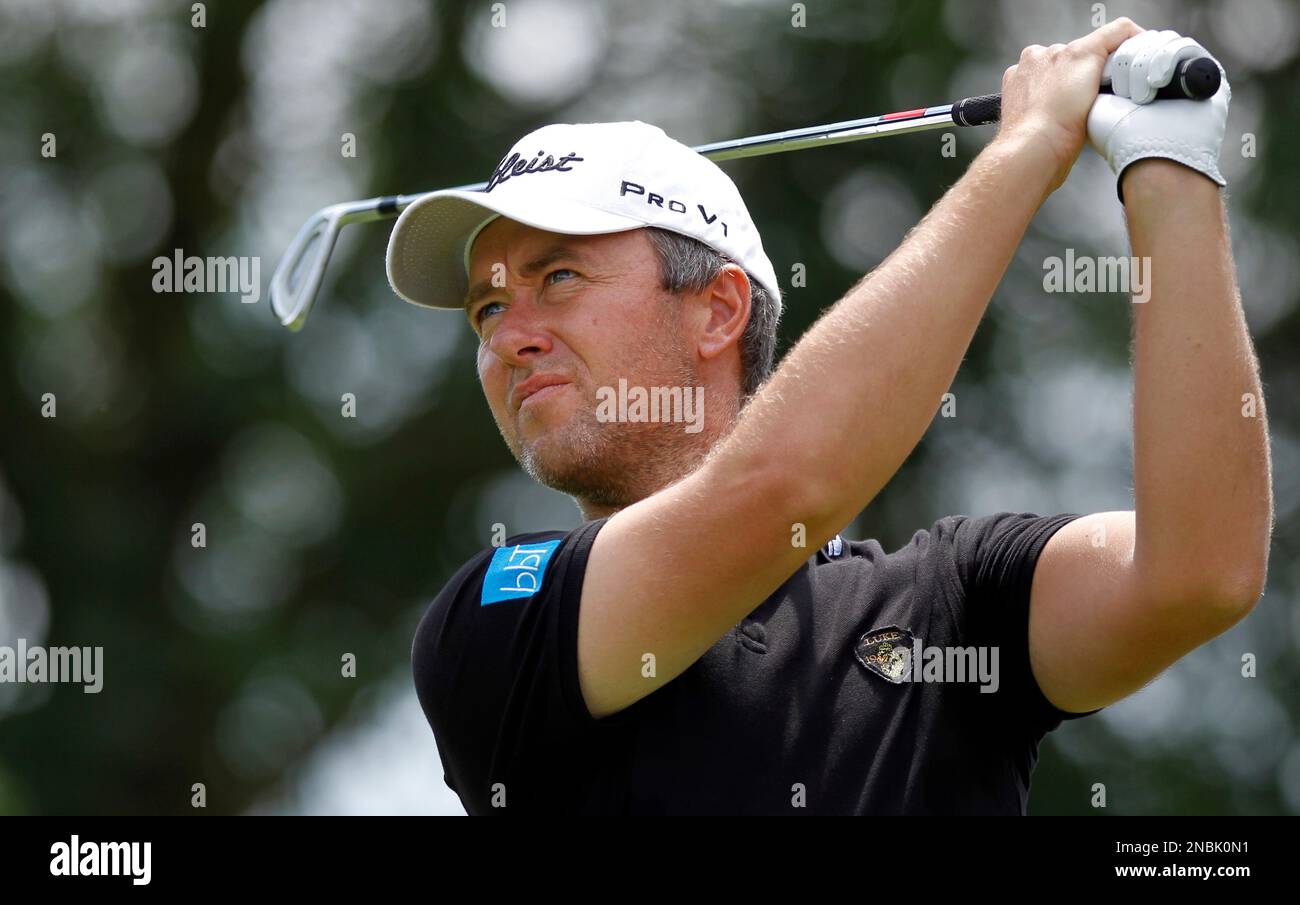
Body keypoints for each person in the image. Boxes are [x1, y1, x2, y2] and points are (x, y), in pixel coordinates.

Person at [385, 19, 1272, 814]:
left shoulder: (949, 609)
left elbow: (1199, 572)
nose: (511, 339)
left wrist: (1172, 168)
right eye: (489, 309)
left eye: (558, 278)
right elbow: (783, 489)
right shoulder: (499, 618)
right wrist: (1025, 150)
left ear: (718, 311)